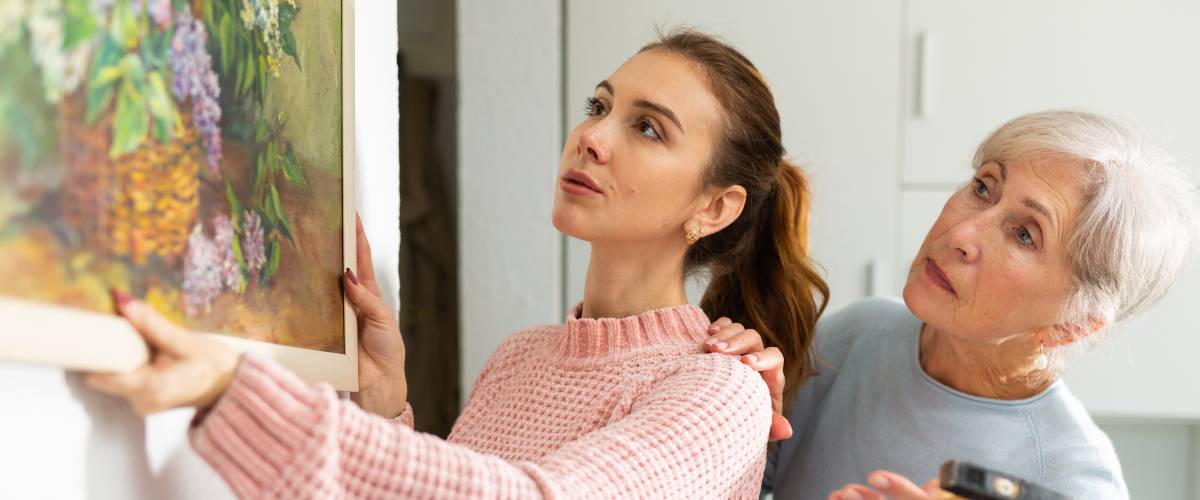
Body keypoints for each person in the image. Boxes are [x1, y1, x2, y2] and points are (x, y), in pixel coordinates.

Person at [85, 29, 828, 499]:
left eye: (647, 128)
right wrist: (383, 406)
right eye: (599, 106)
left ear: (715, 208)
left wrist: (235, 394)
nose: (593, 137)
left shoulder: (723, 393)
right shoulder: (520, 359)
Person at [711, 110, 1199, 499]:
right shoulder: (858, 335)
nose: (962, 233)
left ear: (1072, 326)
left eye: (1025, 234)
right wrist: (739, 409)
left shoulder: (1073, 482)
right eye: (983, 188)